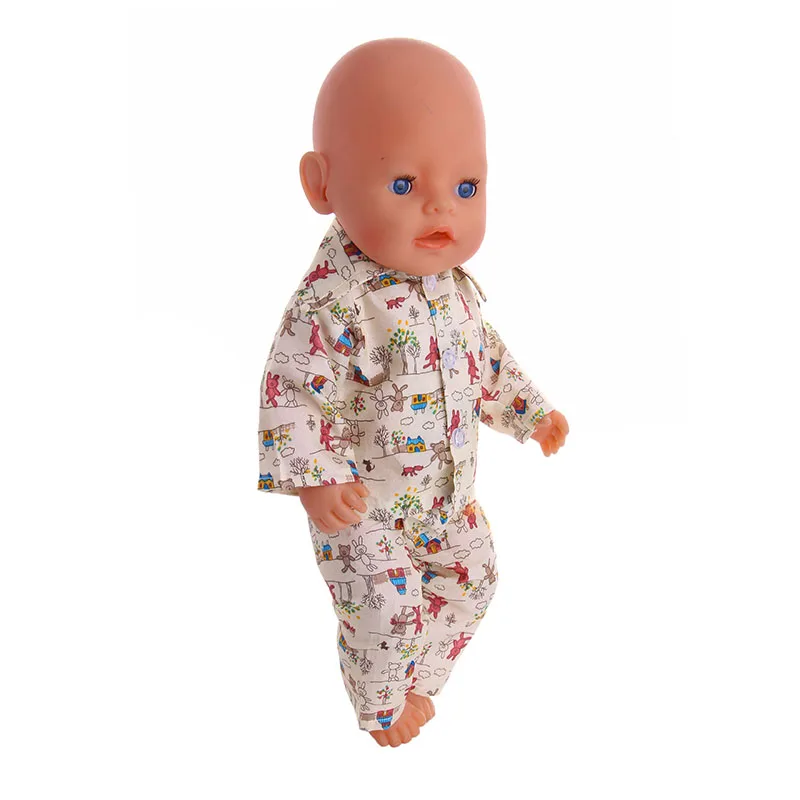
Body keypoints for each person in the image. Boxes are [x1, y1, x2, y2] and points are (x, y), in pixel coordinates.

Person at [257, 37, 569, 748]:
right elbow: (292, 387)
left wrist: (532, 413)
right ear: (322, 185)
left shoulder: (451, 289)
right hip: (361, 505)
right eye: (403, 185)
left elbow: (484, 358)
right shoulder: (333, 301)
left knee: (475, 578)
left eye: (467, 188)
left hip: (444, 497)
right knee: (384, 606)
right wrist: (317, 482)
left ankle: (419, 683)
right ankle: (380, 709)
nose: (440, 207)